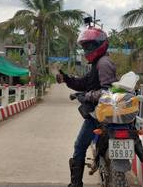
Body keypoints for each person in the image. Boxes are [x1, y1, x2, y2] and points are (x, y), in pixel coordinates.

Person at [56, 27, 117, 187]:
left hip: (100, 114)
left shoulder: (103, 63)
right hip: (104, 112)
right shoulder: (98, 63)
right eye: (85, 47)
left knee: (79, 145)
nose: (86, 50)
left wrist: (87, 96)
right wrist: (67, 79)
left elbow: (107, 91)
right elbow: (84, 83)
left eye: (90, 46)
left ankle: (76, 184)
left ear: (100, 45)